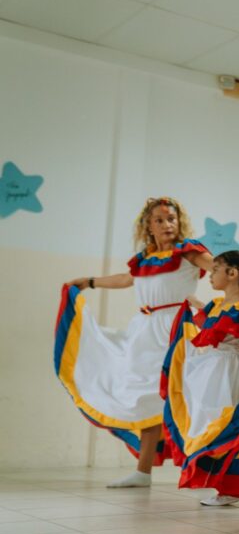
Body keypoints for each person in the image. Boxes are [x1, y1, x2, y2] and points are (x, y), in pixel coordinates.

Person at [57, 198, 222, 488]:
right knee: (147, 398)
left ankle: (214, 471)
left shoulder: (187, 253)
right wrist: (91, 281)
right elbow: (125, 279)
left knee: (193, 398)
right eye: (159, 220)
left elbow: (219, 266)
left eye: (171, 218)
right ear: (148, 226)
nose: (167, 224)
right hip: (145, 334)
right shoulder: (144, 259)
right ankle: (143, 472)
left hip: (177, 331)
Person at [162, 250, 239, 506]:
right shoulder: (221, 306)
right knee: (215, 423)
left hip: (232, 372)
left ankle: (231, 487)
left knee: (229, 426)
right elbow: (210, 317)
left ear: (232, 274)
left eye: (215, 270)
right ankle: (222, 483)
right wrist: (193, 303)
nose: (211, 276)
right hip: (217, 371)